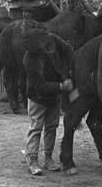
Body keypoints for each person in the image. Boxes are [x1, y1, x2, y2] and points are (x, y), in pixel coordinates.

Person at [22, 27, 75, 176]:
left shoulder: (53, 39)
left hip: (55, 94)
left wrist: (70, 70)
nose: (43, 50)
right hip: (38, 97)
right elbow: (40, 86)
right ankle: (32, 161)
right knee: (36, 127)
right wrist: (61, 86)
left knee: (52, 126)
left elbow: (68, 50)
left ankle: (48, 158)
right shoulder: (30, 61)